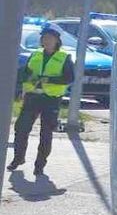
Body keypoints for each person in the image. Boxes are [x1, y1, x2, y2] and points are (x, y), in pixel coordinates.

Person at [9, 24, 74, 177]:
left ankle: (39, 165)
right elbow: (22, 74)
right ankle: (18, 158)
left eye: (50, 38)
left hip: (51, 100)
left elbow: (69, 78)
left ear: (57, 40)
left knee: (46, 133)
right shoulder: (35, 54)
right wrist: (24, 85)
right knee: (21, 128)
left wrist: (48, 79)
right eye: (44, 38)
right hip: (32, 97)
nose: (46, 41)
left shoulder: (64, 57)